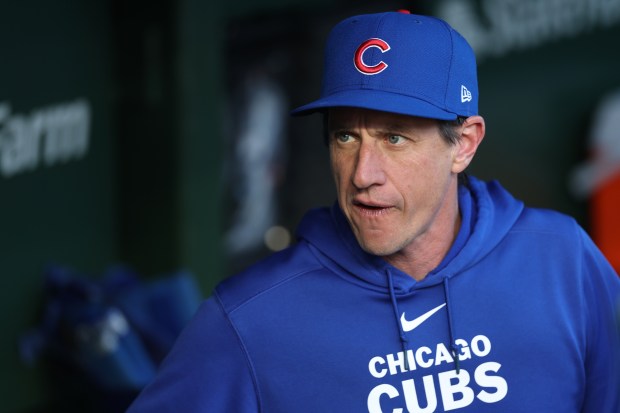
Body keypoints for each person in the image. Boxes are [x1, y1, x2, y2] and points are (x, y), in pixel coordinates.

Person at [126, 10, 620, 412]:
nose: (363, 173)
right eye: (346, 136)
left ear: (464, 144)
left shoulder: (560, 260)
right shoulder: (250, 320)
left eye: (394, 138)